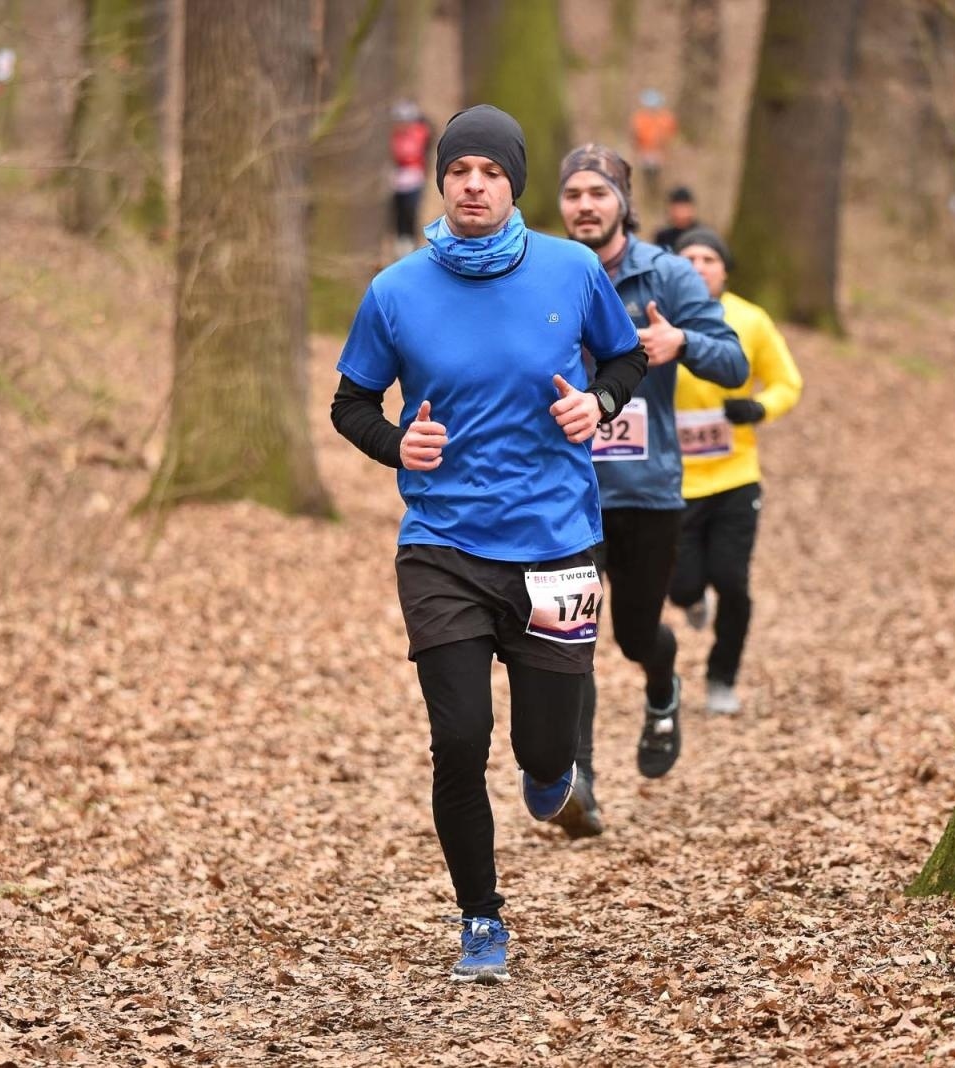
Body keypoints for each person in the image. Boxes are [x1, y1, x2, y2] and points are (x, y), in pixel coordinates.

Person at [330, 106, 649, 983]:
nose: (474, 185)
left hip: (556, 540)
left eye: (492, 172)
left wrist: (600, 403)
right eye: (459, 170)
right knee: (459, 737)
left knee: (544, 754)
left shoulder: (574, 269)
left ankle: (553, 776)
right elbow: (351, 404)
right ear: (441, 181)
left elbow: (626, 363)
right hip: (443, 544)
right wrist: (398, 444)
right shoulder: (396, 290)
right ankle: (481, 918)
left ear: (514, 185)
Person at [556, 144, 747, 834]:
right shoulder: (544, 273)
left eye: (598, 193)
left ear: (622, 202)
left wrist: (682, 346)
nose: (584, 205)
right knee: (568, 639)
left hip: (645, 491)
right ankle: (580, 784)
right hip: (563, 491)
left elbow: (734, 362)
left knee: (636, 635)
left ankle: (662, 688)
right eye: (573, 192)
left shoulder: (667, 275)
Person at [668, 228, 803, 714]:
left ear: (724, 269)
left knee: (732, 580)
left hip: (735, 475)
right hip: (673, 480)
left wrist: (758, 409)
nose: (700, 265)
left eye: (709, 258)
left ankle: (722, 679)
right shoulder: (657, 318)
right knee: (681, 585)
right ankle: (690, 598)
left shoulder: (751, 319)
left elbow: (787, 382)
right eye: (689, 258)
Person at [389, 101, 434, 258]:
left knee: (411, 212)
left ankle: (411, 244)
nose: (402, 125)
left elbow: (429, 132)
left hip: (414, 179)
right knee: (398, 214)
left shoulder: (419, 134)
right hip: (397, 181)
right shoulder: (394, 137)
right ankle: (400, 244)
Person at [629, 90, 677, 201]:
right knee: (647, 178)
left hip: (660, 153)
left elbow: (671, 134)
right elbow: (636, 136)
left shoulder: (665, 118)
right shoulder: (640, 118)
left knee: (658, 178)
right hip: (646, 153)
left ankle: (656, 197)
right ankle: (649, 197)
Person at [653, 186, 699, 250]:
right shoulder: (663, 236)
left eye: (684, 208)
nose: (680, 213)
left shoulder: (702, 234)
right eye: (676, 209)